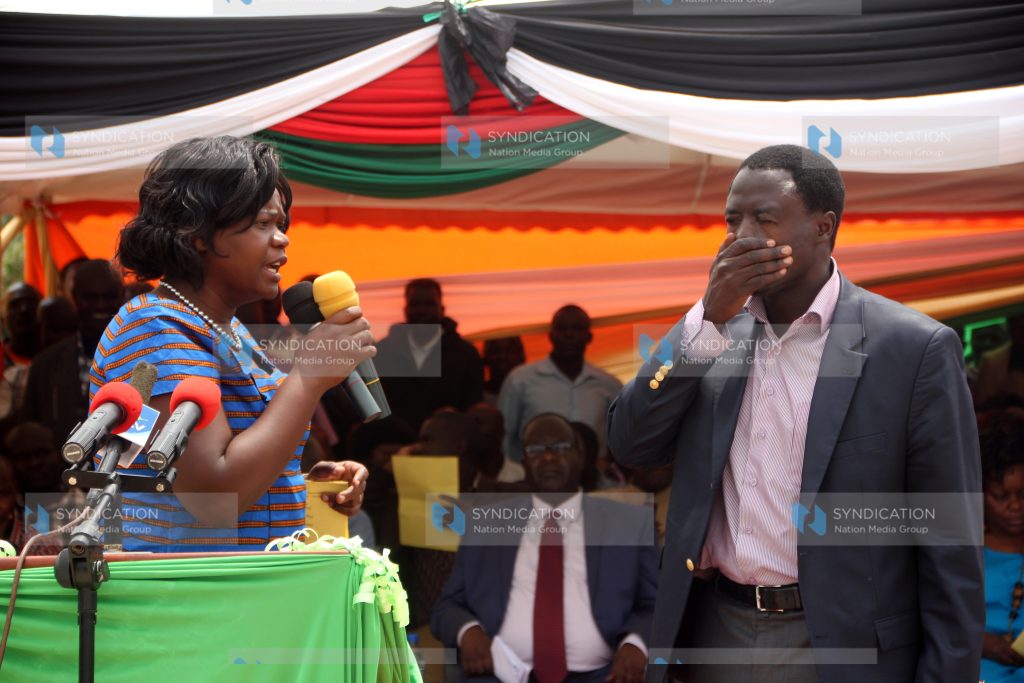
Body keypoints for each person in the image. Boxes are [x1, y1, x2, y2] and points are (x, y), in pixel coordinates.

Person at [608, 144, 983, 683]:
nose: (741, 237)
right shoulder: (710, 338)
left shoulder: (912, 349)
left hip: (843, 646)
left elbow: (949, 539)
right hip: (715, 631)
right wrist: (705, 320)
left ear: (823, 227)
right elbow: (630, 441)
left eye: (764, 219)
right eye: (732, 220)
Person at [92, 135, 373, 552]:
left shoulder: (230, 330)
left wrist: (295, 482)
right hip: (188, 587)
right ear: (200, 233)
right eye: (263, 224)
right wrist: (309, 377)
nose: (282, 239)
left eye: (281, 225)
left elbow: (225, 470)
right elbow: (214, 498)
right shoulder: (155, 328)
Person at [432, 413, 657, 683]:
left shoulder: (629, 524)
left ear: (580, 455)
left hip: (604, 676)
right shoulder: (485, 523)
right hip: (502, 674)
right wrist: (467, 630)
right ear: (523, 462)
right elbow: (447, 606)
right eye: (536, 450)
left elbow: (655, 605)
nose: (549, 458)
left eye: (560, 447)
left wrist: (636, 643)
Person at [499, 305, 621, 462]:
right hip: (532, 475)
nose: (568, 334)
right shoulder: (520, 379)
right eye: (562, 328)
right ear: (551, 336)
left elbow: (624, 438)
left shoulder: (609, 385)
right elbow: (504, 435)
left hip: (594, 476)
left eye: (577, 328)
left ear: (589, 337)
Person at [22, 260, 125, 444]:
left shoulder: (142, 361)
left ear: (122, 298)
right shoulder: (45, 365)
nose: (100, 305)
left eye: (109, 297)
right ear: (75, 298)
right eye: (90, 297)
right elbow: (30, 434)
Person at [375, 278, 484, 432]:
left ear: (442, 309)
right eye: (415, 304)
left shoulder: (465, 355)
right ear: (405, 309)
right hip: (394, 441)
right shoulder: (382, 352)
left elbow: (473, 408)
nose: (422, 310)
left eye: (429, 304)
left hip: (448, 442)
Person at [980, 413, 1024, 683]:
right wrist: (979, 641)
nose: (1015, 506)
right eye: (1001, 496)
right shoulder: (964, 553)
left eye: (1023, 494)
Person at [0, 283, 42, 423]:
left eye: (31, 304)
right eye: (14, 305)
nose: (23, 310)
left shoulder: (55, 361)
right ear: (3, 319)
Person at [482, 336, 525, 405]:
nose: (502, 356)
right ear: (486, 357)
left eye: (509, 351)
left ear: (520, 357)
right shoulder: (476, 394)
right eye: (496, 351)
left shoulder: (528, 392)